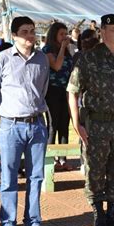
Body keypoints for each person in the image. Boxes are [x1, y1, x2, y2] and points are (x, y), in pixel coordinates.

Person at [67, 14, 114, 226]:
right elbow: (72, 92)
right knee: (96, 172)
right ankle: (98, 214)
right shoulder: (88, 59)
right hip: (96, 126)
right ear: (102, 31)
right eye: (113, 29)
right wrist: (76, 123)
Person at [0, 16, 54, 226]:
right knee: (9, 177)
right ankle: (8, 223)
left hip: (36, 125)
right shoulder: (2, 59)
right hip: (11, 125)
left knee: (36, 177)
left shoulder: (42, 59)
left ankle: (33, 222)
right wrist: (7, 111)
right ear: (14, 35)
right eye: (25, 31)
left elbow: (43, 89)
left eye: (32, 31)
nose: (30, 36)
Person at [42, 22, 74, 172]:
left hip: (65, 91)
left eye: (66, 34)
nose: (64, 37)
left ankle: (63, 159)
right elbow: (56, 66)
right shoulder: (47, 50)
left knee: (64, 125)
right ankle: (50, 159)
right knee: (52, 125)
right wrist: (62, 48)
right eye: (61, 34)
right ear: (54, 34)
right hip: (52, 91)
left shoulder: (67, 51)